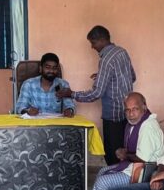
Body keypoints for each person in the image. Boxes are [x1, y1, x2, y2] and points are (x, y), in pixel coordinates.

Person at [74, 93, 164, 190]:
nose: (131, 114)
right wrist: (125, 153)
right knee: (102, 172)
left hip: (144, 173)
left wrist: (125, 154)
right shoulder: (137, 122)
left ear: (144, 107)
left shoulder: (147, 127)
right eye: (127, 110)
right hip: (135, 167)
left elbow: (143, 159)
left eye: (135, 109)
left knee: (103, 182)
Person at [56, 26, 135, 165]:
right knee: (125, 151)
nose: (92, 47)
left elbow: (96, 93)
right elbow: (132, 77)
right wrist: (104, 77)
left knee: (113, 155)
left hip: (113, 115)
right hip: (128, 113)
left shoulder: (106, 60)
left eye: (93, 43)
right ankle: (124, 176)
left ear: (102, 40)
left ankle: (114, 178)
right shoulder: (122, 52)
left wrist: (72, 94)